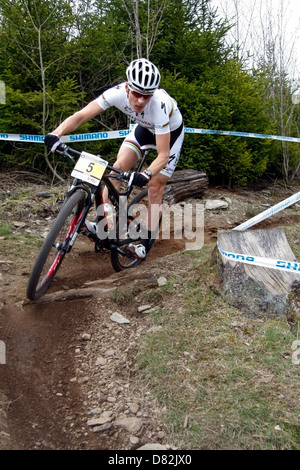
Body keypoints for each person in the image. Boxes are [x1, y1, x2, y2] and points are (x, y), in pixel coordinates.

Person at [44, 58, 184, 260]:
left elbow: (163, 154)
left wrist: (146, 173)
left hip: (170, 134)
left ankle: (144, 244)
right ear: (128, 87)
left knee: (154, 187)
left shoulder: (159, 106)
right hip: (144, 130)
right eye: (136, 94)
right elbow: (81, 116)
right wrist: (56, 133)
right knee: (116, 171)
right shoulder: (116, 93)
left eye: (147, 96)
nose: (141, 101)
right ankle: (105, 228)